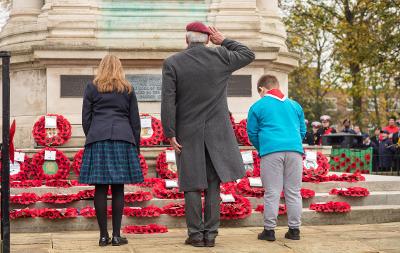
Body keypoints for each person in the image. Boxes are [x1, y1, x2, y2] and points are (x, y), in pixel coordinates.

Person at [161, 22, 255, 247]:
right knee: (213, 185)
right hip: (216, 134)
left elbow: (168, 101)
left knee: (191, 185)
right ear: (207, 39)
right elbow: (248, 54)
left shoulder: (173, 62)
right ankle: (210, 235)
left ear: (186, 39)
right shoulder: (221, 56)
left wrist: (170, 132)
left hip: (187, 134)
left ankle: (195, 235)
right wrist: (224, 41)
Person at [80, 55, 144, 247]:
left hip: (98, 139)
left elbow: (86, 118)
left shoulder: (92, 87)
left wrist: (93, 136)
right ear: (119, 68)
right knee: (118, 189)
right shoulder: (127, 89)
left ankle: (102, 236)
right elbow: (135, 121)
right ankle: (116, 236)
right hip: (123, 139)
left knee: (100, 188)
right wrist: (136, 146)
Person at [247, 75, 306, 242]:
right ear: (277, 86)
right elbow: (302, 130)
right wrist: (293, 144)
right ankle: (294, 230)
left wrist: (264, 147)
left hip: (271, 151)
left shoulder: (257, 106)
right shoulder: (295, 105)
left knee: (272, 192)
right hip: (294, 150)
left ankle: (269, 230)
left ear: (261, 89)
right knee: (293, 192)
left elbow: (252, 133)